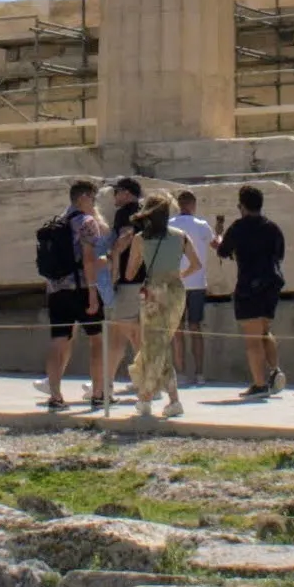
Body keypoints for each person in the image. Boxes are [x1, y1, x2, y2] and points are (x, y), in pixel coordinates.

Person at [40, 179, 107, 413]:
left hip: (56, 291)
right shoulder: (86, 222)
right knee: (97, 339)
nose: (94, 204)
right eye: (93, 198)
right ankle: (98, 393)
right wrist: (93, 293)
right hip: (81, 287)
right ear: (84, 198)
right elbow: (89, 259)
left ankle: (55, 395)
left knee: (58, 341)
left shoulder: (56, 222)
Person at [216, 188, 289, 396]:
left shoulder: (238, 227)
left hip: (249, 286)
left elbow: (222, 250)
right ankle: (275, 371)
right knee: (264, 330)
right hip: (271, 284)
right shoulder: (272, 227)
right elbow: (280, 254)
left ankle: (259, 384)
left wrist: (219, 235)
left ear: (242, 206)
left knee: (252, 339)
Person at [129, 198, 186, 420]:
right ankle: (172, 400)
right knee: (160, 344)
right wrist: (177, 277)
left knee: (154, 345)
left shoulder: (140, 239)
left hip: (153, 291)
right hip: (176, 291)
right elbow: (196, 265)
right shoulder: (181, 236)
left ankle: (146, 397)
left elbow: (129, 273)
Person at [99, 177, 147, 405]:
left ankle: (105, 386)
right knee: (138, 334)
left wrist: (115, 267)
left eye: (116, 192)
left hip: (129, 282)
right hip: (146, 280)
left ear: (127, 193)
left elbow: (125, 239)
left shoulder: (125, 213)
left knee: (122, 336)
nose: (114, 197)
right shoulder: (147, 211)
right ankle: (146, 381)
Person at [169, 190, 217, 389]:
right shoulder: (201, 225)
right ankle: (199, 373)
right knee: (195, 328)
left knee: (177, 330)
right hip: (197, 282)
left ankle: (180, 372)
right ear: (193, 204)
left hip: (176, 282)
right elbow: (216, 244)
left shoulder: (169, 224)